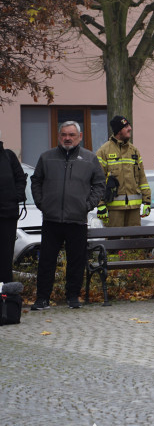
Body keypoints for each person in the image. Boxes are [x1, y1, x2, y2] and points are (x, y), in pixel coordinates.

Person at [29, 121, 105, 310]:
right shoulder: (46, 157)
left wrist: (87, 206)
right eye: (64, 134)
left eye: (71, 135)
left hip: (77, 219)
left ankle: (73, 296)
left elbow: (99, 184)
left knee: (76, 261)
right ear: (59, 136)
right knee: (46, 261)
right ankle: (42, 299)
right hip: (51, 219)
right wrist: (42, 203)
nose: (67, 138)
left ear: (79, 136)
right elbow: (36, 181)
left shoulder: (89, 158)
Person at [96, 116, 150, 227]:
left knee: (134, 241)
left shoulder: (134, 151)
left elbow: (142, 178)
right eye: (126, 127)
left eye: (129, 125)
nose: (130, 128)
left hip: (134, 209)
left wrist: (147, 201)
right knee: (114, 241)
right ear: (118, 130)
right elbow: (97, 180)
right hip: (113, 209)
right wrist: (100, 204)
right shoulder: (103, 151)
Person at [0, 132, 26, 284]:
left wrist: (15, 196)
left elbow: (20, 178)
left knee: (5, 257)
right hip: (8, 213)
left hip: (8, 216)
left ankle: (5, 296)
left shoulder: (8, 157)